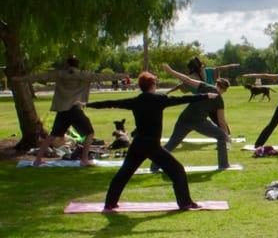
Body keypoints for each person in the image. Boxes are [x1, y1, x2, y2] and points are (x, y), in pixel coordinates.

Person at [85, 71, 218, 211]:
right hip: (152, 146)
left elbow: (111, 103)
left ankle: (110, 204)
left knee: (123, 174)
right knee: (178, 171)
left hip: (138, 144)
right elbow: (182, 99)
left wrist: (87, 104)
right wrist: (206, 96)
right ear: (153, 85)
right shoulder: (159, 99)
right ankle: (185, 203)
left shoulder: (136, 101)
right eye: (155, 82)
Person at [14, 55, 126, 167]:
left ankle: (37, 160)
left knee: (52, 135)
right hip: (74, 109)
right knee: (89, 133)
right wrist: (123, 75)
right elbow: (103, 77)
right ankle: (84, 160)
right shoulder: (83, 75)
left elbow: (39, 76)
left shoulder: (60, 74)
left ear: (67, 64)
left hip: (63, 110)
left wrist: (18, 79)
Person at [151, 64, 231, 172]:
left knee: (172, 143)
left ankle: (154, 165)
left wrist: (171, 71)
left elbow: (187, 80)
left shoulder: (205, 86)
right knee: (221, 136)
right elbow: (221, 122)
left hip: (185, 119)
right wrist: (226, 136)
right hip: (199, 122)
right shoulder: (219, 100)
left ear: (217, 84)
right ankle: (224, 165)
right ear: (225, 90)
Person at [167, 58, 234, 134]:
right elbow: (182, 84)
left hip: (211, 104)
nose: (202, 68)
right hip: (201, 104)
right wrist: (169, 91)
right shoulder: (195, 77)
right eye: (201, 67)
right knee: (191, 121)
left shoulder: (208, 72)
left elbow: (219, 69)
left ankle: (225, 135)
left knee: (220, 123)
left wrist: (230, 66)